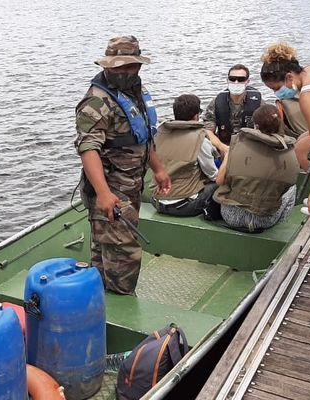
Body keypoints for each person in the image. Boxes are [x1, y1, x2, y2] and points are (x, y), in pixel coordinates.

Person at [75, 36, 171, 295]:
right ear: (108, 66)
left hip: (131, 186)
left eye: (131, 67)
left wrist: (159, 169)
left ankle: (100, 297)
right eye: (119, 67)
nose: (125, 73)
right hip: (111, 191)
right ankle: (120, 300)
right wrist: (104, 194)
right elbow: (88, 148)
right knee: (123, 254)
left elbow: (142, 136)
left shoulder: (134, 93)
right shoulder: (97, 101)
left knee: (105, 248)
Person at [212, 104, 299, 232]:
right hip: (266, 220)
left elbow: (219, 181)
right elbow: (286, 186)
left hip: (231, 216)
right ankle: (280, 227)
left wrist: (228, 156)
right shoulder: (290, 151)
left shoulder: (237, 144)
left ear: (255, 126)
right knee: (292, 188)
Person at [260, 42, 310, 211]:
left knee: (304, 150)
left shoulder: (307, 97)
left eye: (276, 88)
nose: (277, 94)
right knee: (301, 142)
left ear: (289, 77)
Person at [150, 94, 218, 217]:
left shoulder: (159, 134)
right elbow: (213, 175)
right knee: (218, 183)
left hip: (156, 202)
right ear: (196, 115)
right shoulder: (200, 139)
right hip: (184, 207)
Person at [203, 64, 263, 155]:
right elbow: (208, 130)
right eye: (232, 79)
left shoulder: (258, 103)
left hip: (251, 148)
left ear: (247, 81)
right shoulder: (217, 102)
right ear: (227, 80)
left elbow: (266, 129)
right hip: (225, 146)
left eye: (241, 79)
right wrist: (223, 148)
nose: (236, 82)